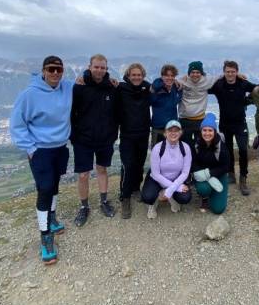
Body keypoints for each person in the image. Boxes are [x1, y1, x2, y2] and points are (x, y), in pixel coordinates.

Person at [10, 55, 72, 265]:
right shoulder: (29, 94)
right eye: (51, 69)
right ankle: (46, 237)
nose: (55, 73)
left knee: (54, 184)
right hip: (40, 151)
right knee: (45, 189)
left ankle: (52, 218)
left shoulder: (67, 87)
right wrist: (30, 148)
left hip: (60, 148)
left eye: (59, 70)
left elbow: (86, 83)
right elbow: (17, 123)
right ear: (43, 71)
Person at [70, 54, 118, 227]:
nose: (99, 70)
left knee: (102, 169)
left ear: (106, 68)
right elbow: (71, 112)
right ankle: (84, 206)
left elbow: (117, 113)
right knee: (83, 175)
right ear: (90, 67)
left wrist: (113, 134)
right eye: (96, 67)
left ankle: (104, 202)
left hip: (105, 138)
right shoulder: (79, 87)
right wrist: (74, 135)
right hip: (83, 139)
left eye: (102, 67)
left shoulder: (112, 87)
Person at [208, 60, 255, 195]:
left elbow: (257, 88)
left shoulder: (243, 83)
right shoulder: (219, 85)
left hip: (240, 123)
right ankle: (231, 174)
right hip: (225, 124)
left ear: (237, 72)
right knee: (227, 151)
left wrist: (249, 100)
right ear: (224, 72)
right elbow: (203, 88)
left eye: (233, 72)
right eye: (228, 71)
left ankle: (243, 178)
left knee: (243, 149)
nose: (230, 74)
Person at [115, 63, 151, 219]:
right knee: (128, 165)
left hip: (143, 133)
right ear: (128, 76)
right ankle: (125, 196)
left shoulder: (147, 88)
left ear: (143, 76)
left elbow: (161, 85)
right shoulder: (120, 88)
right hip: (127, 135)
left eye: (139, 75)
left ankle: (136, 188)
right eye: (133, 75)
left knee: (139, 164)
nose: (136, 77)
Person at [141, 120, 192, 219]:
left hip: (175, 179)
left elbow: (185, 172)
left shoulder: (185, 148)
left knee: (185, 198)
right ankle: (153, 204)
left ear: (180, 133)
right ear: (165, 133)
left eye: (176, 130)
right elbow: (155, 174)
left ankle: (169, 194)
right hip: (156, 179)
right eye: (170, 130)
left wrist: (171, 188)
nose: (173, 133)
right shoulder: (157, 148)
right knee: (147, 197)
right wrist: (176, 187)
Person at [191, 113, 231, 214]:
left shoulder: (221, 146)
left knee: (218, 209)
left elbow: (226, 166)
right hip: (201, 175)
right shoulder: (196, 144)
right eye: (204, 130)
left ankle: (213, 194)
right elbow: (193, 162)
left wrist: (209, 174)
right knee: (203, 189)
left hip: (219, 175)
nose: (207, 133)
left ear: (214, 131)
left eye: (210, 130)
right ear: (201, 131)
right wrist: (201, 173)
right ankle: (205, 197)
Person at [178, 61, 217, 147]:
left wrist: (237, 75)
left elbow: (223, 76)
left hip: (199, 119)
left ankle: (198, 160)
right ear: (189, 73)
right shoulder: (182, 80)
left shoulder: (207, 81)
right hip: (184, 119)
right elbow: (168, 80)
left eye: (197, 72)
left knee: (200, 145)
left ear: (201, 73)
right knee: (185, 146)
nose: (195, 74)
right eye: (192, 72)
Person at [149, 64, 182, 146]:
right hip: (158, 128)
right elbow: (155, 85)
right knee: (157, 153)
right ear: (162, 76)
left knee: (174, 154)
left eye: (172, 75)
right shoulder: (156, 89)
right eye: (166, 75)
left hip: (173, 128)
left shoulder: (177, 88)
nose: (169, 78)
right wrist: (158, 86)